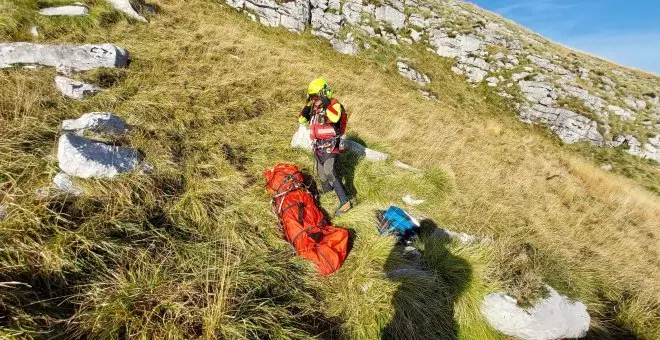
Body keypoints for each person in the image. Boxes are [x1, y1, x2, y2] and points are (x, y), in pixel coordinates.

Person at [298, 78, 352, 216]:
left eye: (316, 96)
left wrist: (326, 102)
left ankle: (345, 202)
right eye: (312, 97)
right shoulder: (314, 107)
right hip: (318, 146)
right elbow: (301, 119)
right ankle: (329, 195)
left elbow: (334, 118)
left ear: (323, 93)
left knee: (329, 171)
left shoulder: (334, 104)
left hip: (331, 144)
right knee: (321, 174)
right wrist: (308, 103)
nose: (314, 99)